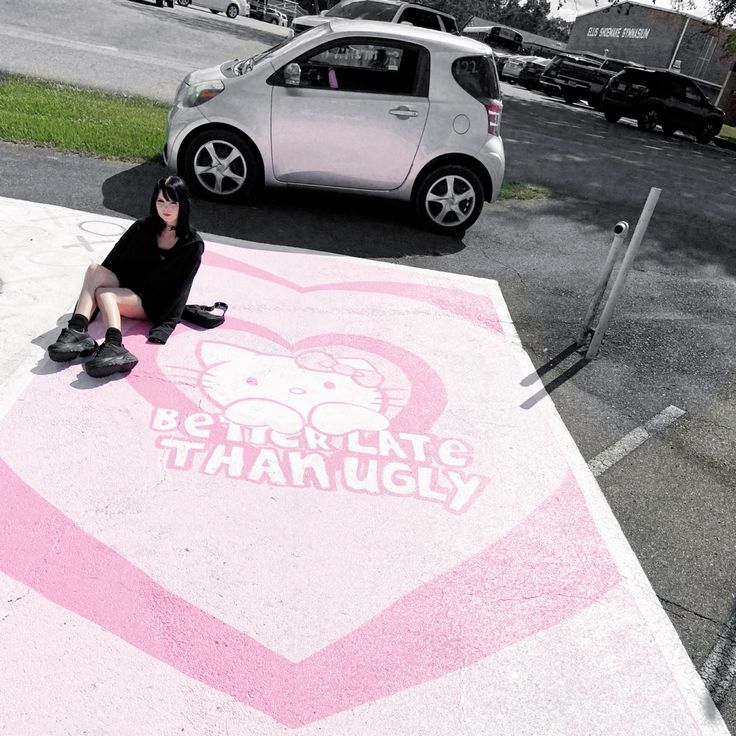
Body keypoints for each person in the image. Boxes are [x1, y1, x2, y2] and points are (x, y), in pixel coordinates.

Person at [47, 176, 204, 378]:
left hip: (152, 302)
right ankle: (77, 330)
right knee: (94, 269)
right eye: (160, 201)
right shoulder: (142, 227)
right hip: (130, 286)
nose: (166, 208)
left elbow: (182, 290)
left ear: (183, 204)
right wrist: (90, 302)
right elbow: (112, 262)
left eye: (173, 203)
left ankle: (115, 345)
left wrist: (164, 326)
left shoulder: (192, 244)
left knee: (105, 295)